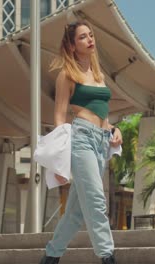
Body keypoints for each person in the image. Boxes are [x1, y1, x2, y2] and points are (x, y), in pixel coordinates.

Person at [38, 21, 122, 264]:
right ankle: (108, 256)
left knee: (75, 212)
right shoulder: (67, 75)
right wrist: (60, 164)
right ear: (73, 45)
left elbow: (103, 116)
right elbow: (59, 118)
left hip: (101, 142)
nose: (90, 39)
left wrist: (115, 130)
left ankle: (50, 257)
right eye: (83, 37)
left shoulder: (99, 75)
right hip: (81, 139)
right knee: (96, 199)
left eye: (91, 35)